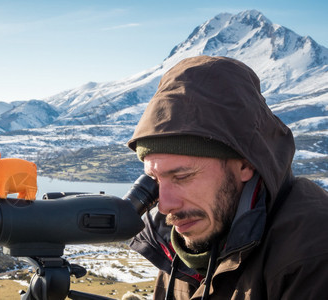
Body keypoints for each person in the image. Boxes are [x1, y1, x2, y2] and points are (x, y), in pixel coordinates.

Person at [126, 56, 328, 299]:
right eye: (155, 180)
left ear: (246, 164)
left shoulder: (312, 252)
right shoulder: (184, 244)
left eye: (182, 176)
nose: (165, 205)